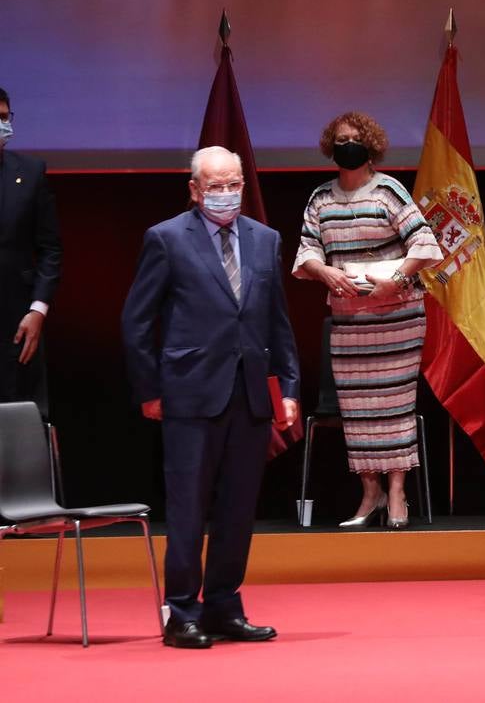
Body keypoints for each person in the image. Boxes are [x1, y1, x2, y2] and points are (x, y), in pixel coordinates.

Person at [121, 146, 300, 649]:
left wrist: (288, 388)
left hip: (249, 394)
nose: (227, 193)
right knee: (187, 506)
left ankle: (224, 606)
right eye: (216, 186)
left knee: (238, 507)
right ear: (195, 190)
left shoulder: (265, 240)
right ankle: (181, 612)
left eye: (234, 183)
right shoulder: (166, 238)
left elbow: (277, 323)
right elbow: (137, 322)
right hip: (189, 393)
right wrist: (150, 390)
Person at [293, 112, 443, 530]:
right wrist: (324, 272)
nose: (347, 144)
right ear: (330, 146)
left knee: (394, 407)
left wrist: (395, 280)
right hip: (349, 324)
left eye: (355, 138)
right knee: (359, 411)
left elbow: (425, 243)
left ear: (371, 145)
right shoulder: (320, 198)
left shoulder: (389, 191)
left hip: (397, 318)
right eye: (340, 139)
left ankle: (397, 492)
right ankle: (370, 492)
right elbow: (306, 252)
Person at [0, 87, 61, 418]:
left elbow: (50, 248)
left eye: (4, 117)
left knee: (18, 424)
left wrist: (38, 310)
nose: (2, 125)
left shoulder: (31, 172)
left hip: (17, 324)